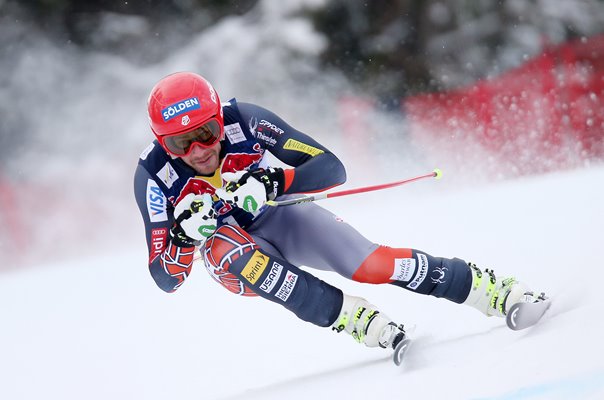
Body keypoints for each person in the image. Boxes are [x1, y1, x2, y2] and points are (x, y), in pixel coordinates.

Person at [134, 71, 543, 353]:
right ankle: (356, 319)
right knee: (229, 249)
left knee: (371, 264)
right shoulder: (153, 176)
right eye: (180, 144)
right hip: (233, 255)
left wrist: (276, 182)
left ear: (219, 120)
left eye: (205, 133)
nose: (198, 150)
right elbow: (165, 279)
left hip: (281, 217)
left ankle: (492, 290)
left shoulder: (245, 119)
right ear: (161, 143)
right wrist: (184, 237)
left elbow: (332, 168)